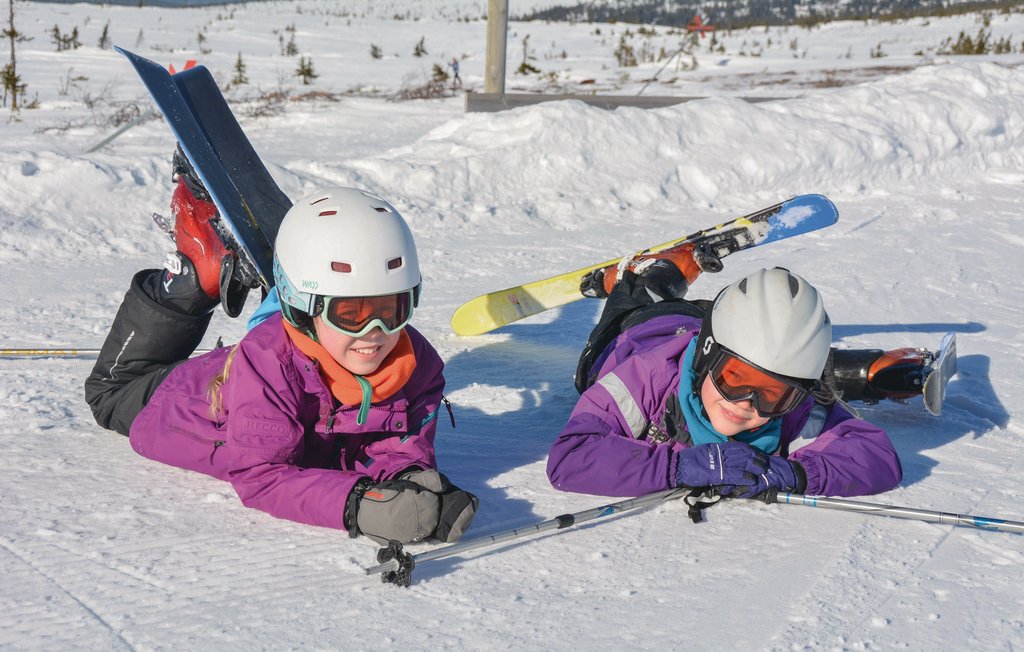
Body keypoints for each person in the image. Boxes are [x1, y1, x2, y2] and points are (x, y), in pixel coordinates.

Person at [84, 152, 478, 545]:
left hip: (241, 367)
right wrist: (358, 505)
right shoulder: (269, 362)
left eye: (392, 309)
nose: (375, 331)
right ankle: (194, 273)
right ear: (304, 308)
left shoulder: (417, 366)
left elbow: (397, 448)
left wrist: (414, 485)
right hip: (156, 400)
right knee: (107, 395)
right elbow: (261, 476)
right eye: (351, 312)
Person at [547, 249, 933, 501]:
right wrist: (678, 467)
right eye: (734, 380)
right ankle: (655, 271)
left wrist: (796, 473)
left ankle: (859, 370)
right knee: (633, 297)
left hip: (729, 334)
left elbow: (876, 456)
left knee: (781, 360)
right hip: (643, 330)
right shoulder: (644, 378)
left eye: (772, 395)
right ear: (706, 358)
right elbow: (572, 457)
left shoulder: (794, 407)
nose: (746, 404)